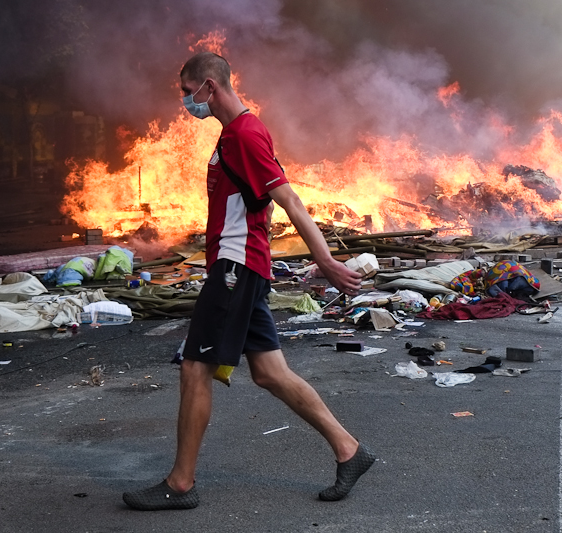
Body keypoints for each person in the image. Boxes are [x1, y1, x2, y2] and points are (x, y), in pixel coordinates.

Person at [123, 52, 376, 511]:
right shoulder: (234, 133)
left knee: (195, 368)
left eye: (187, 92)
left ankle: (180, 484)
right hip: (244, 267)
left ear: (209, 87)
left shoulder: (244, 133)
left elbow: (291, 201)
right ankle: (349, 450)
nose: (185, 102)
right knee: (270, 372)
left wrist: (327, 262)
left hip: (235, 270)